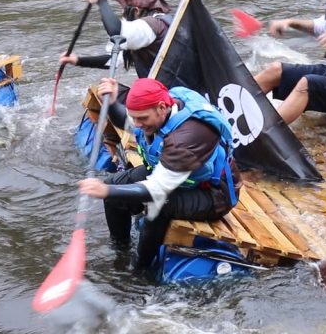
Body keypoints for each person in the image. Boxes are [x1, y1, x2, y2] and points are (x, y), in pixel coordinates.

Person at [78, 77, 240, 268]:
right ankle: (120, 250)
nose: (137, 124)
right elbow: (127, 121)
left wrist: (105, 191)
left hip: (213, 195)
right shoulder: (158, 111)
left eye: (142, 119)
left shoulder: (189, 137)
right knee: (113, 184)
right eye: (135, 117)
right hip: (183, 178)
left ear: (162, 107)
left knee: (157, 205)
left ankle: (141, 268)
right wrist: (113, 102)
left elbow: (156, 189)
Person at [60, 0, 172, 78]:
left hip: (166, 92)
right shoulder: (161, 23)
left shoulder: (150, 26)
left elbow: (116, 30)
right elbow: (112, 60)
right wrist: (78, 60)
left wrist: (101, 0)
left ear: (136, 11)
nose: (122, 13)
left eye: (124, 10)